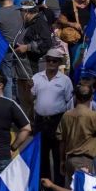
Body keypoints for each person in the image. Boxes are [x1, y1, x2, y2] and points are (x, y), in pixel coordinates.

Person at [32, 47, 74, 183]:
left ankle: (59, 185)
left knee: (58, 154)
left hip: (57, 121)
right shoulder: (36, 78)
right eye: (49, 60)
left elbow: (69, 102)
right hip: (40, 121)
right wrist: (26, 89)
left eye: (54, 61)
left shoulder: (65, 80)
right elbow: (29, 98)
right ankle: (45, 185)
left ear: (59, 62)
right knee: (42, 155)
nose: (51, 63)